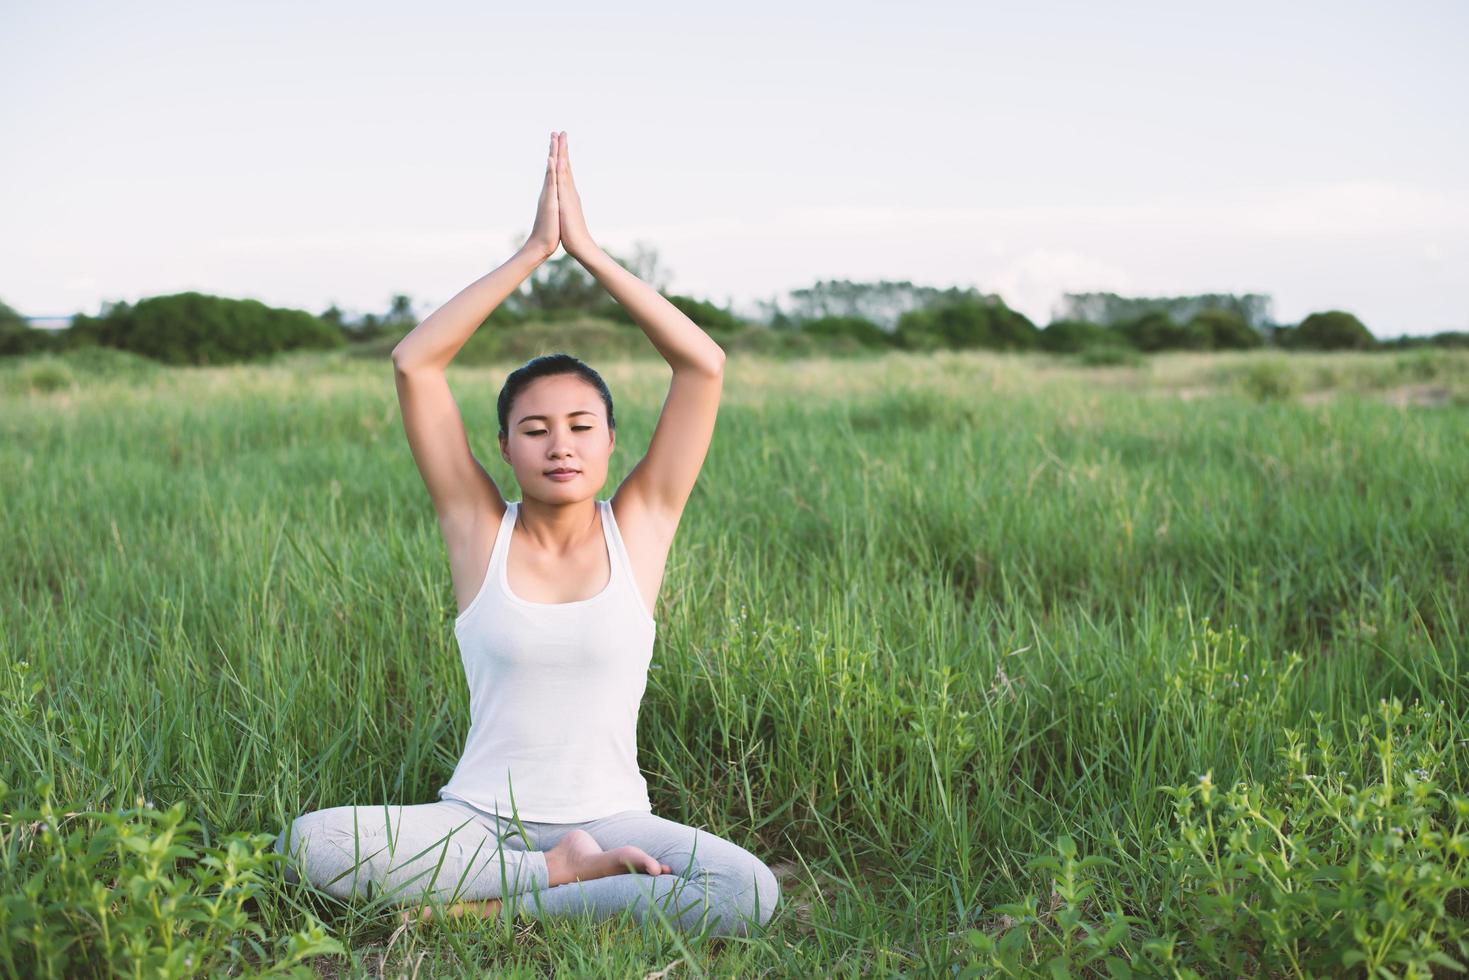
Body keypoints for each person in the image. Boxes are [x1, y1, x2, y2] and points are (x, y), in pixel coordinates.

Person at [271, 131, 779, 938]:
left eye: (581, 425)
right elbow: (415, 364)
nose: (560, 445)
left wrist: (589, 255)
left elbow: (703, 366)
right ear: (504, 448)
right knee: (309, 844)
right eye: (534, 429)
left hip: (614, 818)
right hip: (477, 823)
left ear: (613, 441)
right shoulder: (478, 529)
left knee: (745, 893)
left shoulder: (640, 526)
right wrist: (533, 252)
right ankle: (548, 883)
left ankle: (479, 914)